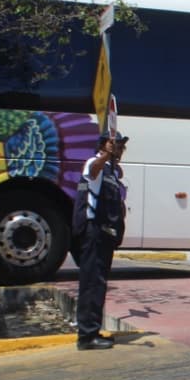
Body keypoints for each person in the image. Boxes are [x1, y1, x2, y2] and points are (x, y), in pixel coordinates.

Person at [74, 132, 127, 350]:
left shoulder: (112, 173)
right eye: (114, 144)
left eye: (121, 146)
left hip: (105, 235)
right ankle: (86, 336)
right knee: (91, 284)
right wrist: (106, 155)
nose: (119, 148)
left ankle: (93, 330)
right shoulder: (94, 164)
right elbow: (93, 171)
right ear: (103, 146)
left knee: (99, 284)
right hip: (93, 233)